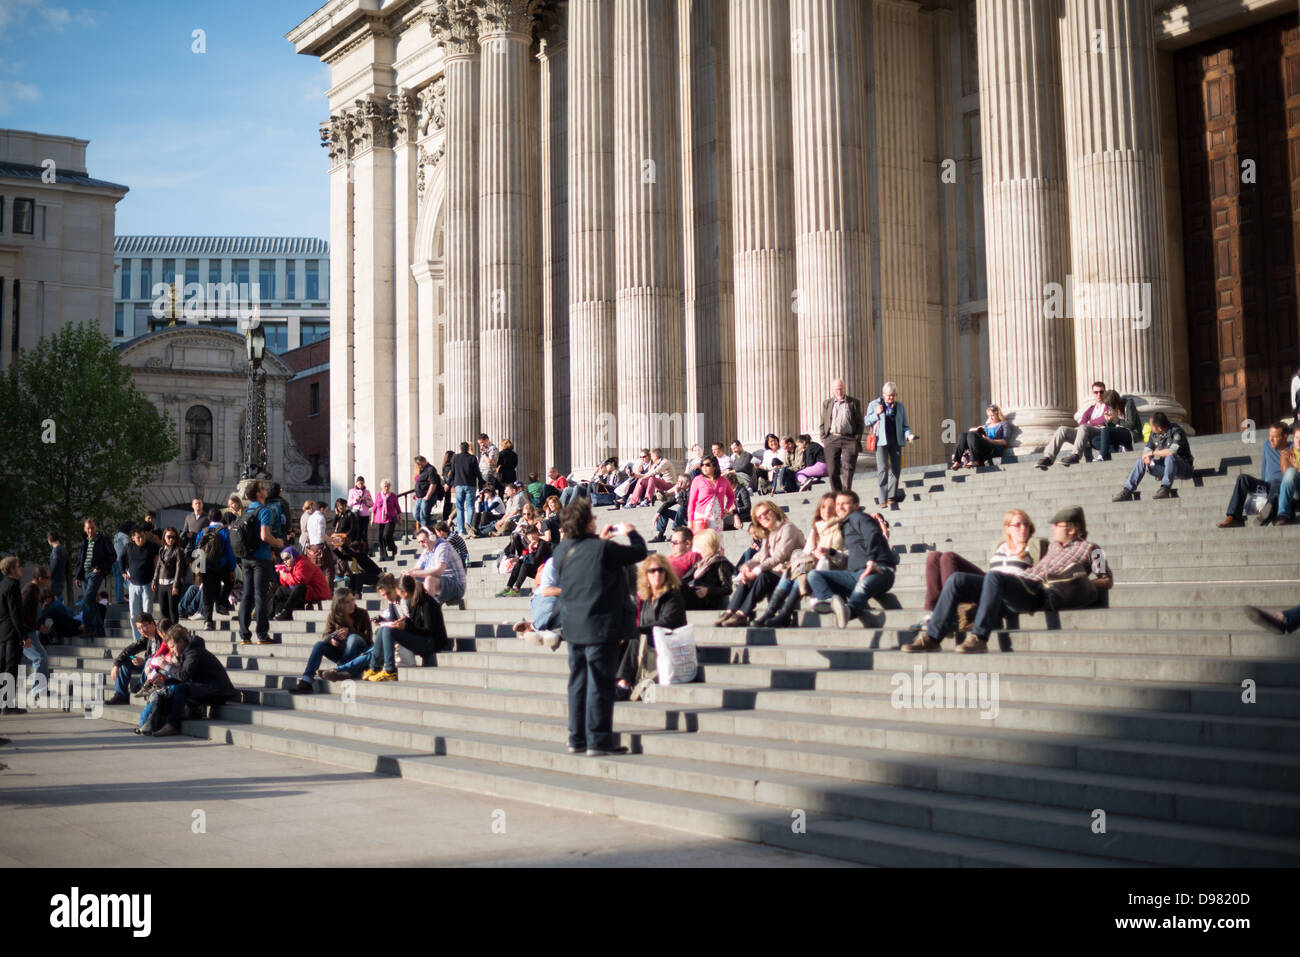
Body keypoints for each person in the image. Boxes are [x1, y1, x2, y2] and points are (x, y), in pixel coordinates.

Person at [907, 506, 1113, 654]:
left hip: (1039, 592)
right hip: (1022, 584)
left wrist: (1079, 580)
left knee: (996, 577)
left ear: (1072, 528)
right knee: (958, 579)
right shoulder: (1052, 546)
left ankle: (979, 637)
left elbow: (1106, 579)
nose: (1051, 528)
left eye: (1056, 525)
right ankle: (933, 637)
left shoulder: (1093, 549)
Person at [553, 499, 646, 756]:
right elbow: (639, 552)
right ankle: (598, 740)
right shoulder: (603, 550)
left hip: (573, 627)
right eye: (592, 517)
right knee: (601, 684)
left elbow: (587, 561)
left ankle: (577, 738)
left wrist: (600, 541)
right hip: (600, 627)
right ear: (586, 522)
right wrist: (631, 532)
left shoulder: (561, 551)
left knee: (578, 682)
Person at [908, 509, 1049, 634]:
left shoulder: (1032, 547)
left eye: (1026, 524)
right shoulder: (1001, 546)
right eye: (1017, 525)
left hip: (1007, 588)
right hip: (989, 582)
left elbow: (1038, 573)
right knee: (936, 557)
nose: (1023, 528)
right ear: (1007, 529)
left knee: (949, 557)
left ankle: (950, 614)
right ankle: (935, 612)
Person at [806, 490, 899, 628]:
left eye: (845, 504)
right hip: (856, 574)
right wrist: (830, 551)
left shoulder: (859, 517)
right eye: (838, 504)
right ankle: (830, 600)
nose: (840, 507)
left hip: (879, 570)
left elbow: (873, 534)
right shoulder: (846, 524)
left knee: (863, 586)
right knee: (814, 575)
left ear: (856, 505)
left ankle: (848, 610)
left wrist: (872, 560)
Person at [756, 493, 842, 627]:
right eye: (823, 507)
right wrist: (814, 553)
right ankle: (771, 613)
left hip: (831, 567)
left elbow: (846, 557)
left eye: (831, 507)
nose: (826, 511)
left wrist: (829, 553)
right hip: (810, 566)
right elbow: (806, 552)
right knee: (795, 568)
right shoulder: (816, 528)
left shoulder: (842, 527)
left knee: (800, 568)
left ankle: (784, 614)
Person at [717, 500, 805, 627]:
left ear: (774, 511)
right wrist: (746, 567)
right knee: (746, 578)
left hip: (791, 574)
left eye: (766, 512)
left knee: (763, 576)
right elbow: (760, 556)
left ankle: (742, 614)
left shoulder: (788, 528)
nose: (763, 517)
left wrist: (757, 570)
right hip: (778, 573)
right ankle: (731, 611)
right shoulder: (769, 533)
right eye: (759, 516)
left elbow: (780, 555)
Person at [614, 553, 687, 699]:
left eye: (661, 570)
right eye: (652, 571)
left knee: (634, 636)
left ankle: (624, 682)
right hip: (651, 644)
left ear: (667, 573)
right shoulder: (647, 598)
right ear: (646, 575)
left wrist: (637, 630)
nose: (657, 574)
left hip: (670, 644)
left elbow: (665, 623)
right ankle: (617, 680)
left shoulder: (673, 596)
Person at [150, 625, 239, 737]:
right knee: (173, 685)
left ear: (181, 641)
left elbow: (184, 676)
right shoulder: (187, 651)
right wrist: (164, 680)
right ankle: (168, 719)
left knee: (182, 688)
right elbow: (185, 676)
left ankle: (172, 725)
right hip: (205, 685)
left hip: (218, 691)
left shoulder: (193, 652)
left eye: (172, 647)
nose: (171, 651)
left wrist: (166, 666)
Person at [289, 585, 375, 693]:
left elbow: (368, 638)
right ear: (339, 604)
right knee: (319, 645)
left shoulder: (362, 613)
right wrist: (332, 639)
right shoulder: (333, 616)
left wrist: (351, 632)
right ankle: (306, 681)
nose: (352, 604)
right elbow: (325, 635)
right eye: (347, 602)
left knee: (353, 638)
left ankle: (341, 669)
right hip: (341, 652)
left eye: (352, 600)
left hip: (359, 653)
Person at [363, 575, 449, 681]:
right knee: (383, 629)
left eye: (397, 591)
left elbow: (428, 631)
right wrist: (405, 622)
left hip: (431, 643)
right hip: (423, 639)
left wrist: (405, 626)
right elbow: (416, 624)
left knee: (389, 631)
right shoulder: (414, 600)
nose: (397, 594)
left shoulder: (426, 603)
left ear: (405, 592)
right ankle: (374, 668)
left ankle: (390, 671)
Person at [238, 480, 285, 646]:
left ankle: (244, 634)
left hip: (246, 558)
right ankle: (262, 634)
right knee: (260, 595)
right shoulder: (264, 510)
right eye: (263, 488)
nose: (265, 490)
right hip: (261, 558)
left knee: (247, 595)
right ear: (259, 494)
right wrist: (278, 543)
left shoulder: (247, 510)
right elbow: (264, 536)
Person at [1217, 422, 1290, 528]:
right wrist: (1261, 485)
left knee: (1277, 483)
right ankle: (1234, 517)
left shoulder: (1293, 448)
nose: (1271, 439)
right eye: (1270, 436)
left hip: (1281, 485)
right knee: (1242, 479)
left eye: (1275, 437)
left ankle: (1267, 512)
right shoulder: (1267, 445)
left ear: (1285, 437)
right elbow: (1264, 468)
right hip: (1266, 485)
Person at [1113, 412, 1194, 502]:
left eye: (1152, 426)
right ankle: (1127, 490)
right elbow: (1147, 449)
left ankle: (1165, 488)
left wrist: (1153, 453)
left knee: (1170, 457)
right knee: (1141, 461)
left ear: (1159, 428)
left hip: (1184, 468)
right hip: (1165, 468)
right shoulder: (1154, 434)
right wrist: (1146, 457)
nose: (1150, 428)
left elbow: (1171, 451)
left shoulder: (1176, 432)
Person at [1036, 381, 1110, 469]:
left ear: (1105, 392)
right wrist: (1091, 423)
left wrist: (1090, 422)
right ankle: (1048, 458)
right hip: (1085, 433)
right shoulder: (1090, 409)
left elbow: (1104, 419)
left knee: (1083, 427)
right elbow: (1082, 422)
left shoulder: (1108, 406)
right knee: (1062, 429)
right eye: (1096, 392)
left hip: (1099, 432)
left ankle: (1075, 456)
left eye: (1101, 392)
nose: (1099, 395)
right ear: (1093, 393)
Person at [864, 382, 916, 507]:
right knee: (882, 469)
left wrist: (908, 434)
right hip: (881, 441)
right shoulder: (874, 404)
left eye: (893, 395)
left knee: (896, 468)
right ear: (883, 394)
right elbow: (866, 421)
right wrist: (876, 413)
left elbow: (905, 425)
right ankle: (882, 498)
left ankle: (892, 495)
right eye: (888, 395)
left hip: (896, 440)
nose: (890, 398)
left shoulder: (900, 407)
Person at [106, 611, 164, 704]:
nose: (142, 630)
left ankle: (141, 685)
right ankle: (120, 695)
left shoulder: (161, 635)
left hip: (159, 669)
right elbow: (129, 650)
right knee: (126, 660)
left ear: (152, 623)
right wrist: (116, 664)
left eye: (144, 626)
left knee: (149, 660)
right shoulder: (146, 638)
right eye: (139, 628)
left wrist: (144, 661)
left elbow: (161, 658)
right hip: (147, 667)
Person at [515, 549, 564, 650]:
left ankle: (544, 631)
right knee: (556, 600)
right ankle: (535, 628)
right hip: (545, 600)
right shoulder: (554, 562)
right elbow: (546, 592)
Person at [821, 378, 865, 492]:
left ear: (844, 388)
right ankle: (836, 493)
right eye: (836, 389)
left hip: (849, 438)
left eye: (841, 389)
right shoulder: (827, 403)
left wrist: (857, 438)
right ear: (833, 390)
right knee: (832, 469)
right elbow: (823, 421)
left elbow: (860, 421)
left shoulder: (853, 402)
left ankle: (846, 492)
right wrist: (823, 437)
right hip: (832, 437)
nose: (839, 391)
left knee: (848, 467)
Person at [195, 508, 236, 630]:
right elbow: (230, 551)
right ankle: (221, 603)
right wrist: (232, 568)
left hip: (207, 566)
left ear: (209, 519)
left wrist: (199, 570)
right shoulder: (224, 532)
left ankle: (208, 621)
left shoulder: (202, 532)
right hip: (222, 565)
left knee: (207, 594)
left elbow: (197, 551)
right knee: (228, 583)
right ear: (221, 518)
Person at [74, 519, 114, 639]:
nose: (90, 530)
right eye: (88, 528)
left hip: (96, 573)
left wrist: (100, 567)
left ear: (96, 528)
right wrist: (78, 576)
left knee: (87, 599)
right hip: (85, 574)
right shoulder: (84, 541)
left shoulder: (103, 539)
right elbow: (80, 560)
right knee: (89, 601)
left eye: (92, 528)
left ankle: (92, 628)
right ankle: (96, 630)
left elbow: (112, 556)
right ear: (84, 529)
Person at [122, 524, 162, 643]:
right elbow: (121, 559)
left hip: (148, 584)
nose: (141, 539)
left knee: (147, 614)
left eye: (143, 536)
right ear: (133, 538)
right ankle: (137, 640)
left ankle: (149, 639)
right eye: (138, 537)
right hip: (133, 585)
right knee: (134, 614)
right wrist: (123, 572)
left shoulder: (151, 546)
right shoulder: (129, 546)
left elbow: (162, 552)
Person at [680, 529, 735, 611]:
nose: (697, 551)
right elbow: (684, 580)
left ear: (707, 547)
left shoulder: (720, 563)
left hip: (708, 601)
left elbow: (727, 588)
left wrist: (708, 591)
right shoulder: (701, 563)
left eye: (699, 547)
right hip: (695, 596)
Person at [271, 547, 331, 620]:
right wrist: (284, 573)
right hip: (308, 591)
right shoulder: (293, 566)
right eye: (283, 560)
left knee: (300, 587)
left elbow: (298, 581)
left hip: (318, 592)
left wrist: (285, 575)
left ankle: (286, 612)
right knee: (281, 589)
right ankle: (277, 613)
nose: (285, 561)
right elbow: (286, 584)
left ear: (293, 556)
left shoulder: (304, 563)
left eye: (287, 558)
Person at [951, 404, 1010, 469]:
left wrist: (990, 440)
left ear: (998, 415)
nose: (990, 418)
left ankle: (974, 460)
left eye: (992, 415)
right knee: (963, 435)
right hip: (982, 446)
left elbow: (1005, 441)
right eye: (988, 416)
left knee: (972, 435)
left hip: (993, 448)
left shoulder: (1003, 424)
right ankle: (957, 461)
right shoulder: (986, 425)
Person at [0, 556, 24, 715]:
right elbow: (15, 614)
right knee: (11, 669)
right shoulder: (13, 586)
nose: (21, 568)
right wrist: (24, 635)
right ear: (12, 570)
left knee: (3, 669)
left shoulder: (2, 585)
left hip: (2, 633)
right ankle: (7, 705)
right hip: (11, 633)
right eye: (18, 566)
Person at [499, 525, 551, 597]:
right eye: (529, 534)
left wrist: (530, 550)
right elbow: (526, 559)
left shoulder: (542, 544)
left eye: (533, 533)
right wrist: (516, 559)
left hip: (544, 572)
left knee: (525, 565)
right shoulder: (528, 544)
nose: (531, 536)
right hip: (535, 569)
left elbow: (533, 561)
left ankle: (516, 589)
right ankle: (508, 587)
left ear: (537, 533)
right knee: (520, 563)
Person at [687, 455, 735, 533]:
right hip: (701, 517)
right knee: (702, 543)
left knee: (716, 543)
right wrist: (690, 521)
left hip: (717, 518)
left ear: (715, 466)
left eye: (707, 465)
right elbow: (692, 502)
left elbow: (731, 496)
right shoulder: (697, 480)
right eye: (702, 465)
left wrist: (727, 508)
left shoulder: (723, 480)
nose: (704, 467)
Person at [151, 527, 185, 625]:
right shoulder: (162, 549)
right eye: (169, 537)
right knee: (163, 611)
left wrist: (176, 585)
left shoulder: (178, 551)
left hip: (172, 583)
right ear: (164, 537)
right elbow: (158, 566)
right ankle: (166, 632)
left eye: (174, 537)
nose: (171, 539)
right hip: (162, 583)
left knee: (172, 610)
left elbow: (179, 569)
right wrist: (154, 580)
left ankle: (174, 631)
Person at [449, 441, 483, 536]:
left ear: (460, 448)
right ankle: (469, 527)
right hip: (470, 485)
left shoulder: (456, 457)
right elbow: (477, 472)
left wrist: (448, 482)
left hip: (459, 485)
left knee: (459, 508)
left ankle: (461, 530)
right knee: (470, 507)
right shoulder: (472, 458)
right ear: (468, 448)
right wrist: (482, 481)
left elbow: (453, 471)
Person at [1090, 390, 1134, 461]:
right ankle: (1118, 450)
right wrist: (1108, 421)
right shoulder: (1112, 408)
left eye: (1110, 405)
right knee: (1094, 441)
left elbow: (1131, 424)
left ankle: (1102, 455)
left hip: (1129, 433)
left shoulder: (1128, 403)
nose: (1110, 407)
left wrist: (1116, 419)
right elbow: (1112, 426)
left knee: (1105, 430)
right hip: (1119, 434)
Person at [650, 474, 691, 543]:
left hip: (689, 519)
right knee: (664, 510)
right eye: (677, 481)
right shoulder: (681, 491)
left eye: (680, 482)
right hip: (681, 518)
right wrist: (657, 514)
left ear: (687, 483)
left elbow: (684, 504)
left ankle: (675, 532)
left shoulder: (691, 491)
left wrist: (676, 493)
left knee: (681, 508)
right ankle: (660, 535)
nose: (678, 484)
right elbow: (667, 503)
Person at [1275, 422, 1300, 527]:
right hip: (1296, 490)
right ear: (1293, 439)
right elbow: (1287, 473)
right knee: (1291, 472)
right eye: (1296, 437)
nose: (1299, 440)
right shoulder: (1286, 454)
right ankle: (1283, 514)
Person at [372, 479, 400, 562]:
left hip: (390, 518)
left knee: (386, 535)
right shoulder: (378, 495)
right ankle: (382, 555)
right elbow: (374, 508)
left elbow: (397, 507)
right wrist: (372, 518)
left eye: (388, 486)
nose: (386, 488)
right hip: (379, 518)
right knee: (380, 537)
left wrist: (399, 517)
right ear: (382, 487)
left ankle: (393, 547)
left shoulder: (393, 496)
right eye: (385, 486)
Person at [413, 455, 439, 529]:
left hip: (428, 497)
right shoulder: (422, 470)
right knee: (416, 514)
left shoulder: (430, 469)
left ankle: (424, 531)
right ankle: (430, 525)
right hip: (419, 497)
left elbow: (433, 484)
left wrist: (428, 496)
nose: (418, 466)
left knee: (423, 515)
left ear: (424, 461)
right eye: (417, 464)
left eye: (419, 464)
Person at [348, 476, 374, 549]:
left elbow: (372, 503)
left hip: (365, 514)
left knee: (364, 533)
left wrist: (365, 501)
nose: (360, 485)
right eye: (359, 483)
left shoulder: (367, 492)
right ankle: (356, 549)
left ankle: (365, 550)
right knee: (356, 532)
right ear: (356, 483)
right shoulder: (352, 491)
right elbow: (349, 503)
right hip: (356, 514)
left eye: (362, 483)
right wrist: (356, 500)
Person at [48, 531, 70, 605]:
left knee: (53, 601)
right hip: (61, 579)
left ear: (49, 540)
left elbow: (55, 562)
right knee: (59, 598)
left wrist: (49, 577)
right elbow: (67, 566)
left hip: (54, 579)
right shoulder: (64, 550)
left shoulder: (55, 550)